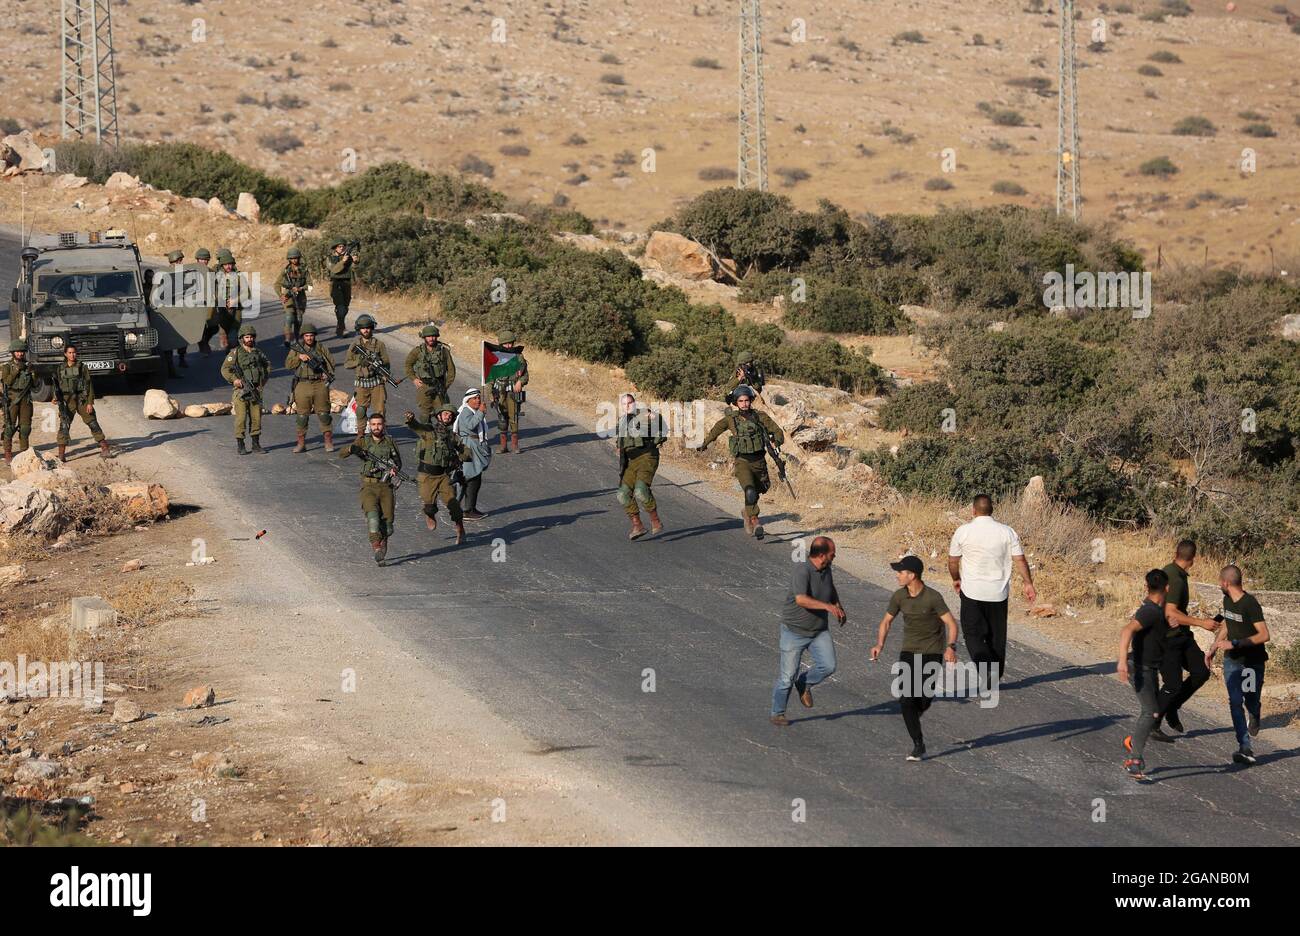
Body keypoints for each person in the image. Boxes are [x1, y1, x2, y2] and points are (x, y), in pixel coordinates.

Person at [871, 555, 959, 761]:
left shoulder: (933, 597)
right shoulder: (899, 596)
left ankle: (914, 713)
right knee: (907, 699)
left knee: (924, 699)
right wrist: (879, 645)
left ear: (912, 575)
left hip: (932, 653)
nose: (897, 576)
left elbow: (952, 624)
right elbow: (886, 622)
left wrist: (950, 647)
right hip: (909, 652)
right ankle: (918, 744)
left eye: (901, 572)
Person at [947, 494, 1036, 686]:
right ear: (992, 510)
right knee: (997, 635)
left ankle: (985, 665)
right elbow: (1019, 559)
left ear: (973, 510)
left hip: (972, 591)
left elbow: (953, 561)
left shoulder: (963, 531)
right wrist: (1028, 583)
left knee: (972, 633)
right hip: (998, 592)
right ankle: (996, 671)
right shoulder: (1007, 531)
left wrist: (956, 578)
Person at [770, 536, 845, 726]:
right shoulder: (802, 571)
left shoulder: (826, 569)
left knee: (828, 665)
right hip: (794, 632)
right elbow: (801, 599)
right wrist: (828, 607)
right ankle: (778, 713)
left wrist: (837, 605)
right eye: (832, 554)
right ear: (821, 555)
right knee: (787, 677)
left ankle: (805, 683)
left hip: (819, 630)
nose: (834, 556)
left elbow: (831, 588)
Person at [694, 385, 784, 539]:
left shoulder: (760, 416)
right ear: (736, 403)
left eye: (747, 400)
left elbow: (777, 431)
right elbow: (716, 429)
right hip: (742, 461)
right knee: (749, 491)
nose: (744, 404)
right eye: (741, 401)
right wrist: (704, 443)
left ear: (751, 401)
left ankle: (746, 512)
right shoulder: (731, 419)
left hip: (759, 462)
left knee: (759, 490)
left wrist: (776, 441)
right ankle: (755, 521)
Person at [1207, 565, 1270, 766]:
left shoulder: (1250, 604)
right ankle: (1244, 746)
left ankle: (1255, 711)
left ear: (1226, 582)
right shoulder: (1227, 600)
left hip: (1252, 662)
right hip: (1232, 661)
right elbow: (1227, 623)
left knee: (1250, 700)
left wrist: (1235, 643)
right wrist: (1215, 646)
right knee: (1235, 701)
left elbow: (1264, 635)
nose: (1219, 585)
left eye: (1219, 581)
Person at [1117, 569, 1176, 781]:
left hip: (1149, 668)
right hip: (1140, 668)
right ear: (1166, 588)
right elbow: (1127, 631)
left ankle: (1135, 741)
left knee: (1153, 711)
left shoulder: (1154, 611)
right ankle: (1134, 760)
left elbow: (1149, 633)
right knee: (1150, 712)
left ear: (1147, 586)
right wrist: (1122, 661)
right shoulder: (1150, 611)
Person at [1156, 540, 1220, 734]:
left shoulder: (1175, 572)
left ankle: (1172, 708)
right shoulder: (1174, 578)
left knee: (1201, 671)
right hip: (1167, 638)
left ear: (1176, 553)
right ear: (1193, 559)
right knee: (1173, 684)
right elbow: (1170, 613)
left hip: (1182, 635)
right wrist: (1202, 623)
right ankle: (1152, 724)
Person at [339, 413, 402, 564]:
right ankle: (376, 548)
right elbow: (341, 454)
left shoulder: (389, 441)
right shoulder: (364, 441)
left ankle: (383, 539)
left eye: (379, 424)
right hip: (368, 486)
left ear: (384, 425)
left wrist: (394, 469)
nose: (376, 427)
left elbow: (398, 462)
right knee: (372, 518)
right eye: (373, 424)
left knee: (388, 525)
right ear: (369, 425)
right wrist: (351, 449)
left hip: (386, 487)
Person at [404, 406, 471, 545]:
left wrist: (461, 458)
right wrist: (411, 420)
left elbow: (465, 450)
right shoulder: (428, 431)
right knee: (429, 505)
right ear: (439, 416)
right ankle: (430, 514)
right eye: (445, 413)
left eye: (450, 415)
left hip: (444, 476)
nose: (448, 416)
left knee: (454, 505)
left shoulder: (452, 437)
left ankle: (460, 529)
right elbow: (416, 426)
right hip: (426, 475)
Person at [615, 392, 667, 540]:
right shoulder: (622, 421)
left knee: (640, 490)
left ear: (635, 403)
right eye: (624, 404)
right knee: (622, 494)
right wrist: (619, 447)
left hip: (646, 457)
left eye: (630, 403)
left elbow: (660, 424)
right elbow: (620, 442)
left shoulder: (644, 415)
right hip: (630, 461)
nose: (627, 406)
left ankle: (655, 520)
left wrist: (654, 418)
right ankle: (637, 525)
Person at [52, 344, 113, 462]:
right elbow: (57, 385)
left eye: (74, 352)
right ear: (65, 354)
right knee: (64, 425)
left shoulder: (82, 367)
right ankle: (61, 455)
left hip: (81, 399)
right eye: (69, 353)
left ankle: (105, 448)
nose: (72, 355)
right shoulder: (60, 368)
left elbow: (89, 385)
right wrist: (55, 397)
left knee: (92, 422)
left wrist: (90, 403)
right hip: (67, 401)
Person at [220, 324, 271, 455]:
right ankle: (240, 444)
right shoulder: (235, 353)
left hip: (256, 390)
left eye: (251, 337)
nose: (249, 339)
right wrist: (234, 380)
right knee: (241, 418)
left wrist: (263, 380)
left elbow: (267, 365)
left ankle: (256, 444)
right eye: (247, 337)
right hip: (241, 391)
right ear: (242, 338)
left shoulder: (258, 352)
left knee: (256, 418)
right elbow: (225, 369)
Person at [286, 324, 336, 453]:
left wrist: (327, 374)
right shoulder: (297, 349)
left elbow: (331, 363)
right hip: (302, 384)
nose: (309, 338)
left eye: (311, 335)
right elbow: (288, 364)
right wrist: (299, 358)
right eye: (307, 335)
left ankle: (328, 441)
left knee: (324, 413)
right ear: (303, 336)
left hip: (319, 383)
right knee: (302, 415)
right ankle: (301, 443)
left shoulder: (321, 348)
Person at [343, 314, 390, 430]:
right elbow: (347, 364)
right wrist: (359, 361)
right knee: (360, 410)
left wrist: (385, 374)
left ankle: (381, 432)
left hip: (377, 381)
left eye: (368, 327)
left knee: (380, 410)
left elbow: (386, 363)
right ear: (359, 329)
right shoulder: (355, 345)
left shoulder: (379, 345)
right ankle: (361, 434)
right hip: (362, 382)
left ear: (372, 328)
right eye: (363, 328)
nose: (366, 330)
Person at [454, 387, 492, 521]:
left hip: (474, 446)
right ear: (467, 400)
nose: (478, 400)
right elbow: (470, 426)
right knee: (470, 479)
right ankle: (466, 510)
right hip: (469, 449)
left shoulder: (472, 411)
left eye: (478, 397)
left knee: (475, 479)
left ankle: (470, 508)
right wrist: (481, 412)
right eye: (474, 398)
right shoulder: (465, 412)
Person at [404, 324, 456, 421]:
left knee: (443, 413)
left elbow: (451, 370)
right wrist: (414, 379)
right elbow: (408, 365)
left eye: (433, 336)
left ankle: (442, 434)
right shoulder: (417, 351)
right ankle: (426, 434)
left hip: (439, 386)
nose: (431, 338)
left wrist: (445, 386)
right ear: (424, 338)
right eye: (428, 336)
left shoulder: (443, 351)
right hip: (424, 386)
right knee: (425, 414)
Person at [489, 330, 527, 453]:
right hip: (499, 391)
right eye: (506, 344)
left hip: (513, 392)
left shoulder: (518, 357)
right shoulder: (494, 357)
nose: (509, 346)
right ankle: (503, 446)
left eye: (510, 343)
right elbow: (489, 377)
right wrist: (489, 394)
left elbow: (525, 375)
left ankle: (515, 445)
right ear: (501, 344)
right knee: (502, 417)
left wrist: (520, 382)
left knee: (514, 416)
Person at [1, 339, 38, 463]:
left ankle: (24, 452)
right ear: (13, 353)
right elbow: (7, 381)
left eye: (22, 351)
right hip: (12, 400)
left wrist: (32, 373)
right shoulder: (7, 367)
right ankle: (8, 453)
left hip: (26, 400)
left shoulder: (28, 366)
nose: (20, 354)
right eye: (17, 351)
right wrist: (17, 369)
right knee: (10, 427)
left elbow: (34, 385)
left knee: (25, 427)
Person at [212, 248, 247, 351]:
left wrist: (235, 300)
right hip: (221, 310)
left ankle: (233, 355)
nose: (228, 266)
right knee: (224, 338)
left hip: (236, 310)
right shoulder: (215, 275)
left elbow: (246, 293)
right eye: (226, 264)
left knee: (233, 338)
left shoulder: (239, 276)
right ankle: (229, 356)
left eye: (230, 264)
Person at [277, 246, 309, 348]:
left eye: (296, 258)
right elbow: (276, 284)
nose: (294, 260)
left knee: (298, 320)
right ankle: (287, 339)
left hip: (301, 299)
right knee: (289, 317)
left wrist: (300, 288)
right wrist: (281, 295)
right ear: (289, 259)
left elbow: (311, 285)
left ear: (299, 258)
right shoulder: (286, 271)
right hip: (289, 298)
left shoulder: (304, 269)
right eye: (292, 258)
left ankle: (297, 340)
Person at [162, 249, 189, 372]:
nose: (181, 262)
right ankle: (170, 366)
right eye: (179, 261)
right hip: (169, 311)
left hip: (181, 310)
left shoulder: (183, 274)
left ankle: (182, 358)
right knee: (169, 340)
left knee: (183, 337)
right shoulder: (165, 275)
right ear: (175, 261)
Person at [329, 240, 357, 338]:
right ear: (335, 248)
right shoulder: (330, 258)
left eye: (343, 246)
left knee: (345, 308)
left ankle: (339, 325)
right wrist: (343, 261)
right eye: (339, 246)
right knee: (340, 307)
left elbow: (354, 269)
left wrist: (355, 261)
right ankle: (342, 328)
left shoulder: (347, 256)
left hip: (347, 283)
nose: (342, 248)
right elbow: (334, 270)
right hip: (336, 284)